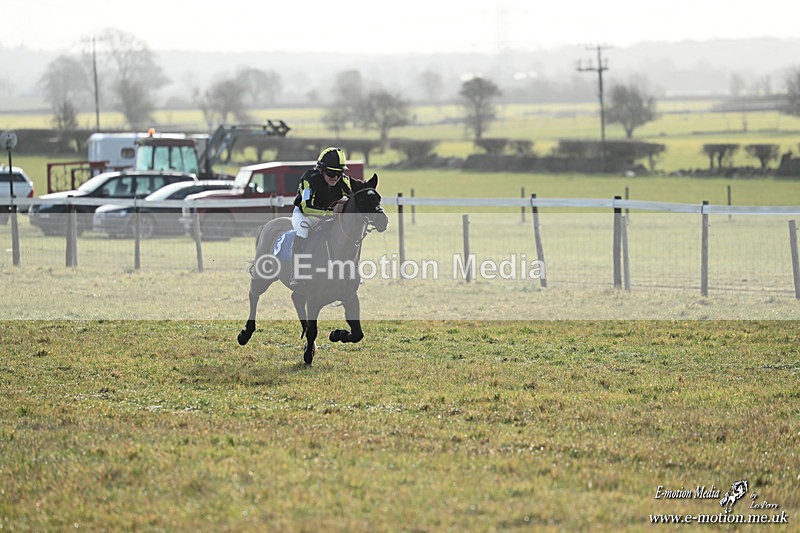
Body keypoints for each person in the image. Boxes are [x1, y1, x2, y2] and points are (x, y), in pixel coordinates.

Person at [289, 147, 353, 287]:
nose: (336, 177)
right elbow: (306, 208)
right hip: (305, 215)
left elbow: (352, 197)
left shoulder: (343, 181)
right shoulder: (309, 179)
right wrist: (332, 212)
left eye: (339, 173)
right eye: (331, 173)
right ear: (321, 170)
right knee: (303, 231)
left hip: (328, 215)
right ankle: (297, 273)